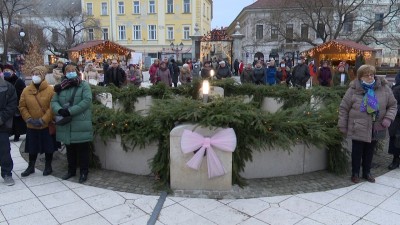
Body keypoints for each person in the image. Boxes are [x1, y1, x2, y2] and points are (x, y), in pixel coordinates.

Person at [338, 65, 397, 183]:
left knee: (370, 151)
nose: (370, 77)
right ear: (360, 77)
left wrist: (388, 119)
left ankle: (367, 172)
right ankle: (355, 173)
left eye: (372, 74)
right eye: (366, 75)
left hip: (376, 126)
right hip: (358, 125)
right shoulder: (353, 89)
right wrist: (342, 125)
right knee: (357, 151)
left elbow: (393, 105)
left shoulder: (384, 88)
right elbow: (343, 108)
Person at [51, 64, 93, 183]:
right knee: (70, 149)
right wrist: (59, 110)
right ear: (64, 73)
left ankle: (84, 172)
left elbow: (87, 101)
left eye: (73, 70)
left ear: (77, 71)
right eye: (68, 71)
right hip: (66, 124)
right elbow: (54, 101)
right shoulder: (60, 87)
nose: (71, 72)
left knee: (83, 150)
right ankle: (71, 170)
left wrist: (69, 111)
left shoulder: (83, 85)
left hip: (80, 122)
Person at [19, 66, 56, 177]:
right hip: (32, 124)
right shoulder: (26, 90)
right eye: (34, 74)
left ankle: (48, 166)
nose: (35, 76)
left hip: (45, 124)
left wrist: (44, 120)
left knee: (48, 146)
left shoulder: (50, 90)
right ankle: (31, 166)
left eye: (38, 74)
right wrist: (28, 118)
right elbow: (22, 106)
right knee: (32, 147)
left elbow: (52, 107)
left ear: (43, 76)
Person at [0, 64, 17, 186]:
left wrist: (1, 119)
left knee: (4, 150)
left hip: (3, 124)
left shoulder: (8, 87)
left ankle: (7, 173)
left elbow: (11, 106)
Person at [3, 64, 26, 142]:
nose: (6, 72)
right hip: (6, 104)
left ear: (13, 72)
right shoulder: (3, 81)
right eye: (4, 71)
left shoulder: (18, 81)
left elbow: (23, 92)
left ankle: (17, 134)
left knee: (17, 121)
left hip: (16, 104)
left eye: (8, 70)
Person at [387, 72, 400, 170]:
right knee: (396, 139)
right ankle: (395, 160)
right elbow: (393, 105)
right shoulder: (396, 89)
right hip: (397, 119)